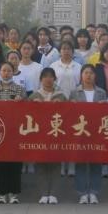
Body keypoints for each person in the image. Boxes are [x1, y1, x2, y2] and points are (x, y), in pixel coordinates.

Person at [0, 61, 27, 204]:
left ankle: (14, 193)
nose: (6, 73)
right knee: (1, 163)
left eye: (9, 70)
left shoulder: (20, 89)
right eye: (3, 70)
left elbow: (28, 110)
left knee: (15, 163)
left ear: (13, 72)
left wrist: (21, 102)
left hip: (15, 131)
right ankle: (2, 193)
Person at [29, 67, 69, 204]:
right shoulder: (34, 96)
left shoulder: (61, 96)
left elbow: (69, 114)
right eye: (45, 76)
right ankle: (43, 193)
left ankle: (53, 194)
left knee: (55, 164)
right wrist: (33, 105)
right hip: (38, 136)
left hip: (56, 135)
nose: (48, 79)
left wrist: (62, 105)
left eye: (51, 76)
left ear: (55, 79)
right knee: (40, 164)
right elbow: (25, 114)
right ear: (41, 79)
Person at [70, 65, 107, 204]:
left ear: (95, 76)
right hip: (80, 132)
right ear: (81, 75)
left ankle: (94, 192)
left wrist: (105, 105)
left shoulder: (101, 92)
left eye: (91, 73)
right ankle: (82, 193)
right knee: (80, 163)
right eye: (86, 73)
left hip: (96, 132)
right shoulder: (75, 92)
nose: (88, 75)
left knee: (96, 163)